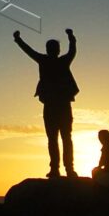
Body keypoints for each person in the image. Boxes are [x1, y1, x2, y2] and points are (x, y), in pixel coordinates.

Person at [14, 28, 79, 178]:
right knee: (56, 139)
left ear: (55, 50)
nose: (52, 50)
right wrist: (18, 40)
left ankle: (67, 169)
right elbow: (29, 51)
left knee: (63, 138)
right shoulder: (48, 60)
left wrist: (71, 37)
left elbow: (72, 51)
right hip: (54, 105)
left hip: (59, 105)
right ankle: (58, 169)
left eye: (53, 48)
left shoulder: (59, 61)